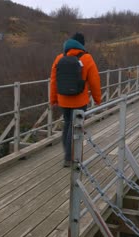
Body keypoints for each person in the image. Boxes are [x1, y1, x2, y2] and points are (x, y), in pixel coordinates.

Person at [50, 32, 102, 167]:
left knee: (67, 123)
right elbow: (94, 81)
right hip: (79, 100)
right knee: (75, 127)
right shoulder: (87, 58)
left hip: (63, 99)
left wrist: (53, 99)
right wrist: (97, 99)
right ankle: (69, 158)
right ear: (82, 45)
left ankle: (67, 153)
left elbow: (54, 80)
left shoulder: (59, 58)